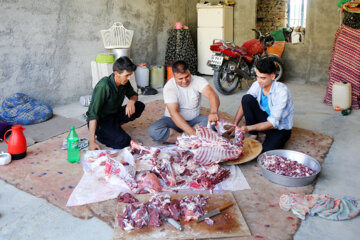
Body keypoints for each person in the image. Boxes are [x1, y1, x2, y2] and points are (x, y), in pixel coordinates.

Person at [231, 57, 294, 152]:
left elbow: (272, 123)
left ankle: (261, 133)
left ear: (272, 76)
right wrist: (235, 124)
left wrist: (248, 128)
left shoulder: (282, 92)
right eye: (257, 76)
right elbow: (245, 103)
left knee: (265, 152)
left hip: (279, 127)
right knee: (247, 98)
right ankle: (254, 133)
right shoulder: (258, 84)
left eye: (263, 78)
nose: (259, 80)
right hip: (265, 120)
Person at [149, 60, 220, 143]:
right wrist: (193, 133)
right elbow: (174, 114)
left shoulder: (198, 80)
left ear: (189, 72)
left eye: (187, 76)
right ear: (174, 76)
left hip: (194, 121)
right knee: (154, 130)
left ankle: (184, 138)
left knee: (213, 123)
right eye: (180, 78)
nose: (185, 81)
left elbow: (212, 95)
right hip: (172, 121)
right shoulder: (169, 87)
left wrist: (214, 112)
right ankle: (190, 139)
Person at [86, 56, 145, 150]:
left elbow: (134, 95)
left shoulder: (124, 82)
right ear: (116, 73)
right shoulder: (103, 86)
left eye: (130, 75)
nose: (129, 78)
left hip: (114, 115)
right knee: (124, 141)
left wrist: (131, 101)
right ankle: (102, 134)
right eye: (127, 75)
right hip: (101, 121)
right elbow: (93, 114)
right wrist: (92, 142)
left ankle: (114, 128)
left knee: (139, 106)